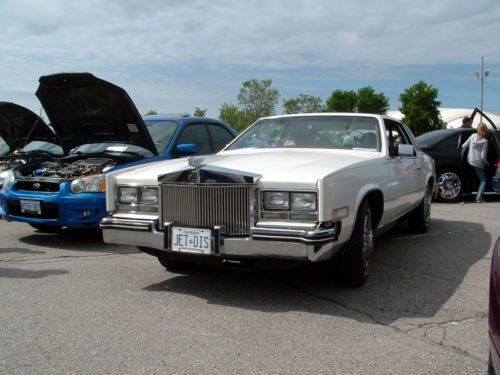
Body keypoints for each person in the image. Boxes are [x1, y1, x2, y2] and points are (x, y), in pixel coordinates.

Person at [462, 122, 489, 202]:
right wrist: (487, 164)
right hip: (478, 163)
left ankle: (469, 190)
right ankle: (479, 197)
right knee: (483, 179)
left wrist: (462, 156)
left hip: (470, 160)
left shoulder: (473, 136)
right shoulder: (485, 141)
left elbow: (464, 146)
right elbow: (482, 157)